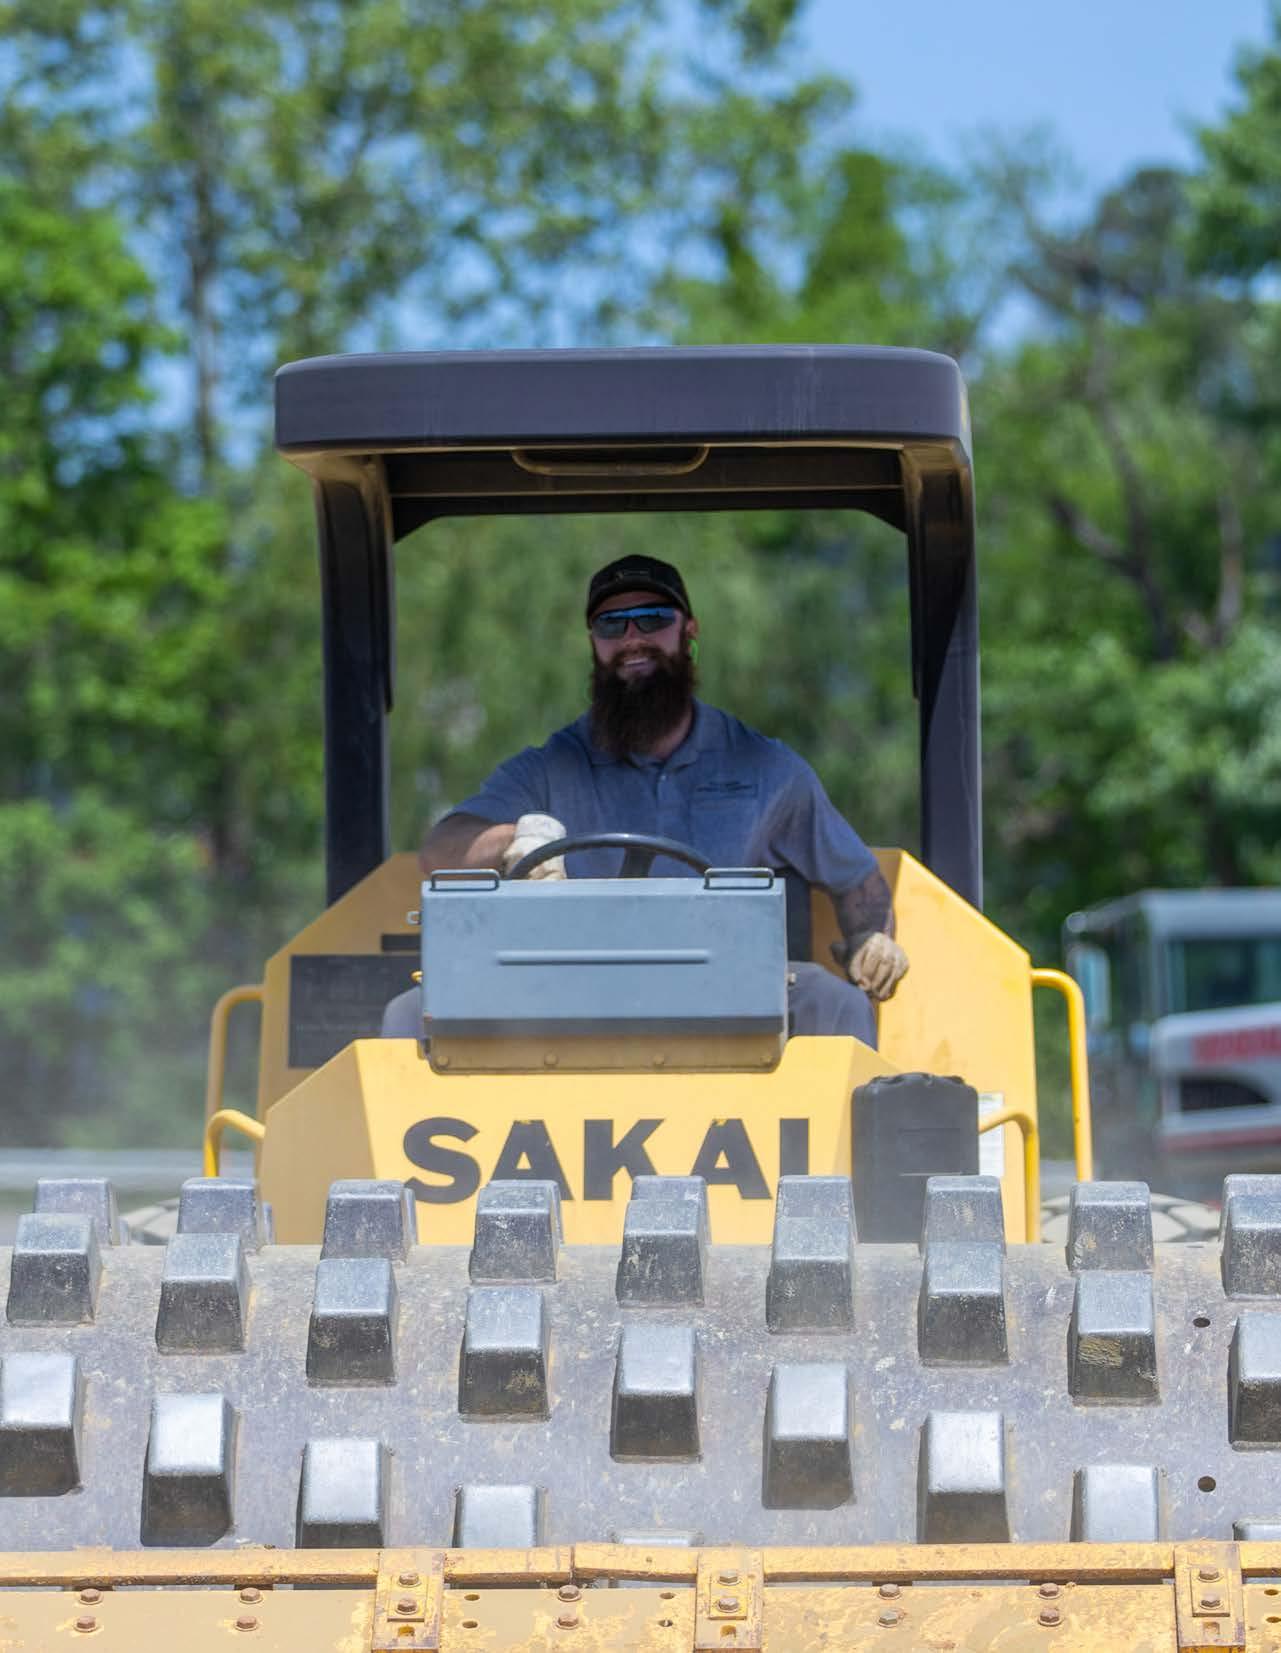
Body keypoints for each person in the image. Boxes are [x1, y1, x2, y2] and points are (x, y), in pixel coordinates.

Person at [405, 554, 908, 1043]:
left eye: (652, 619)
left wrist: (870, 939)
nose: (632, 639)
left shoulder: (764, 768)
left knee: (837, 1003)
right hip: (567, 997)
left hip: (732, 995)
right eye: (611, 625)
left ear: (689, 630)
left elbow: (857, 879)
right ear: (593, 643)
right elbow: (441, 851)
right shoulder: (550, 769)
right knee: (409, 1012)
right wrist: (518, 836)